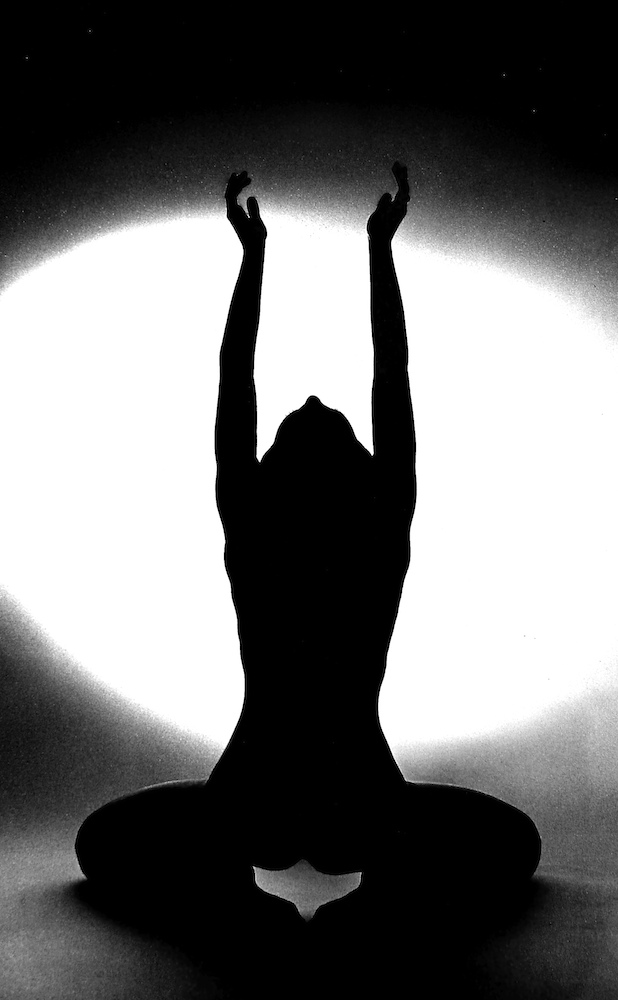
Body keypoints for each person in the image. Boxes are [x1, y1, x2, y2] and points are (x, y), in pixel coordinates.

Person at [75, 164, 541, 902]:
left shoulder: (258, 530)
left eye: (318, 423)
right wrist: (363, 250)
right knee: (512, 844)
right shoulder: (376, 532)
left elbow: (255, 380)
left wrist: (282, 256)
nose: (317, 399)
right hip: (346, 802)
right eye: (308, 422)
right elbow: (380, 378)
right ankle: (357, 875)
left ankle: (255, 878)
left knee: (104, 843)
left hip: (267, 798)